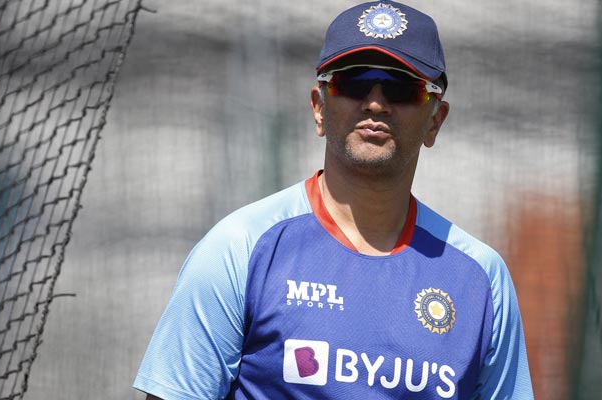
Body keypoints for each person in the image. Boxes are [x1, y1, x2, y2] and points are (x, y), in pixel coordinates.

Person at [133, 1, 533, 399]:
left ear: (435, 120)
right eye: (353, 82)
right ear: (319, 107)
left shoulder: (481, 279)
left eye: (402, 88)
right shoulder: (239, 248)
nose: (375, 103)